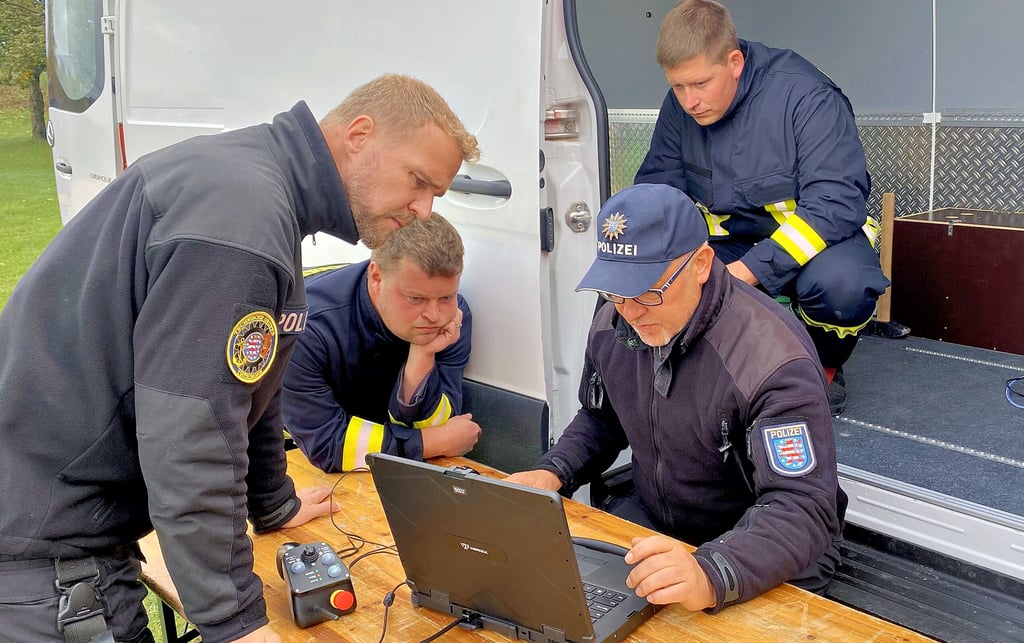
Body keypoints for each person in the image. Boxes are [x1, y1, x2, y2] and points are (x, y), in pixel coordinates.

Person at [0, 73, 479, 642]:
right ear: (360, 134)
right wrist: (235, 623)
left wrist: (272, 503)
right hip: (49, 555)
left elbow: (249, 384)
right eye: (418, 182)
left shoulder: (258, 190)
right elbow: (192, 434)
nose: (424, 210)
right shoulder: (241, 221)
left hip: (67, 534)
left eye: (436, 195)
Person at [506, 183, 846, 613]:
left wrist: (711, 571)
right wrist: (551, 473)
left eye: (648, 291)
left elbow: (802, 507)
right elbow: (600, 420)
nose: (629, 311)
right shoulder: (616, 319)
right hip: (657, 525)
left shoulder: (772, 360)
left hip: (758, 550)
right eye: (615, 290)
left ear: (701, 264)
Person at [634, 0, 890, 415]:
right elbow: (658, 190)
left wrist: (742, 274)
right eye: (678, 87)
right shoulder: (680, 106)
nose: (689, 101)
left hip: (816, 244)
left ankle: (822, 368)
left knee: (844, 286)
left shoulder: (805, 95)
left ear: (734, 61)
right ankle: (675, 375)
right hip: (731, 241)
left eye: (699, 84)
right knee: (645, 270)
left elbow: (835, 201)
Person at [282, 213, 480, 473]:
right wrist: (434, 442)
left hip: (369, 448)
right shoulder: (307, 326)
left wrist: (421, 356)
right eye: (415, 299)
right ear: (376, 278)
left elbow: (439, 422)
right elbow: (327, 445)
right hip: (283, 447)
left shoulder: (452, 318)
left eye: (446, 297)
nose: (434, 315)